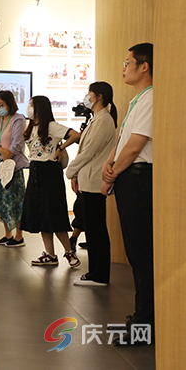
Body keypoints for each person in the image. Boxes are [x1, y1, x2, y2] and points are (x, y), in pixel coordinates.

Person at [101, 43, 154, 346]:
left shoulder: (151, 97)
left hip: (137, 179)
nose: (124, 67)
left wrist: (114, 171)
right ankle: (140, 318)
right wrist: (110, 167)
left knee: (142, 253)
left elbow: (136, 146)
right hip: (126, 178)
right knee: (136, 252)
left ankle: (145, 325)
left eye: (128, 62)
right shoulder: (137, 99)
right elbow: (122, 141)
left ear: (143, 66)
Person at [66, 82, 117, 286]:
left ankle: (99, 274)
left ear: (99, 96)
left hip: (95, 182)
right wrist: (77, 174)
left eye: (89, 94)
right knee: (93, 228)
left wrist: (70, 170)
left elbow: (89, 151)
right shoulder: (97, 119)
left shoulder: (104, 120)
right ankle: (94, 272)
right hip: (88, 180)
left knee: (96, 230)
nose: (86, 97)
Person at [20, 96, 81, 267]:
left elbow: (75, 135)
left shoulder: (52, 126)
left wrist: (60, 148)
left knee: (54, 213)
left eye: (32, 105)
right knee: (40, 214)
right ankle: (50, 254)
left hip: (50, 172)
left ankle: (69, 252)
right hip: (35, 171)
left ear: (40, 108)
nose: (29, 108)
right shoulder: (31, 126)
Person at [0, 90, 28, 248]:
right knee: (1, 200)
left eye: (1, 105)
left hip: (12, 166)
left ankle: (19, 236)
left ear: (9, 104)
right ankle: (7, 233)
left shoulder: (18, 119)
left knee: (15, 200)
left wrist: (4, 152)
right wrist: (0, 150)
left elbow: (16, 145)